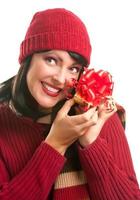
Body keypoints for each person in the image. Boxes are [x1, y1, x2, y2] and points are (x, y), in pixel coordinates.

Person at [0, 8, 139, 200]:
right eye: (51, 60)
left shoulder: (97, 115)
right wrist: (56, 144)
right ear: (28, 58)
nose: (60, 78)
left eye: (73, 68)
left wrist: (90, 142)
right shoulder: (3, 124)